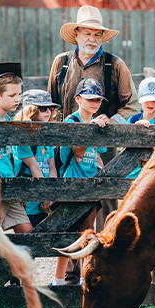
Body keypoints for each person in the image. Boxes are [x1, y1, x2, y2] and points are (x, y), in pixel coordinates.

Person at [48, 4, 139, 233]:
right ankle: (71, 268)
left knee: (107, 201)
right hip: (67, 146)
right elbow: (51, 105)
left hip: (104, 146)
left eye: (97, 34)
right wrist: (53, 141)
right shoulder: (61, 63)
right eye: (87, 33)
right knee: (67, 201)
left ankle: (107, 259)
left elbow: (132, 105)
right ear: (76, 34)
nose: (92, 38)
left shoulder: (115, 65)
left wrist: (112, 121)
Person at [52, 78, 107, 286]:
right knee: (67, 235)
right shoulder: (71, 122)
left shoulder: (97, 122)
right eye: (90, 98)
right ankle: (58, 281)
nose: (95, 103)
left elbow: (98, 153)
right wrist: (90, 129)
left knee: (88, 233)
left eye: (98, 100)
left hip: (91, 187)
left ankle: (84, 279)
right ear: (78, 99)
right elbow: (78, 151)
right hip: (71, 187)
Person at [0, 62, 33, 235]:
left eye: (19, 94)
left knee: (27, 236)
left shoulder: (9, 121)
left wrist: (17, 190)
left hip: (10, 188)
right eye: (12, 95)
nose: (17, 99)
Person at [12, 90, 60, 227]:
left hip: (43, 200)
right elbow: (34, 167)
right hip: (27, 199)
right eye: (43, 108)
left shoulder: (46, 135)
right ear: (31, 110)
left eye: (50, 108)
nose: (48, 112)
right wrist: (44, 197)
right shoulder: (23, 137)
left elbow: (52, 168)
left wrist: (49, 196)